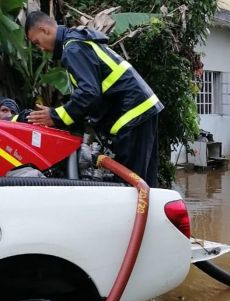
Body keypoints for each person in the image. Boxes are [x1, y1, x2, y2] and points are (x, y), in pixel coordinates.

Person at [25, 11, 163, 186]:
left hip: (132, 115)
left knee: (132, 186)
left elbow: (89, 93)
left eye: (37, 42)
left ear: (45, 30)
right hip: (140, 111)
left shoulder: (73, 48)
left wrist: (56, 116)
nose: (41, 48)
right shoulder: (76, 41)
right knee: (143, 183)